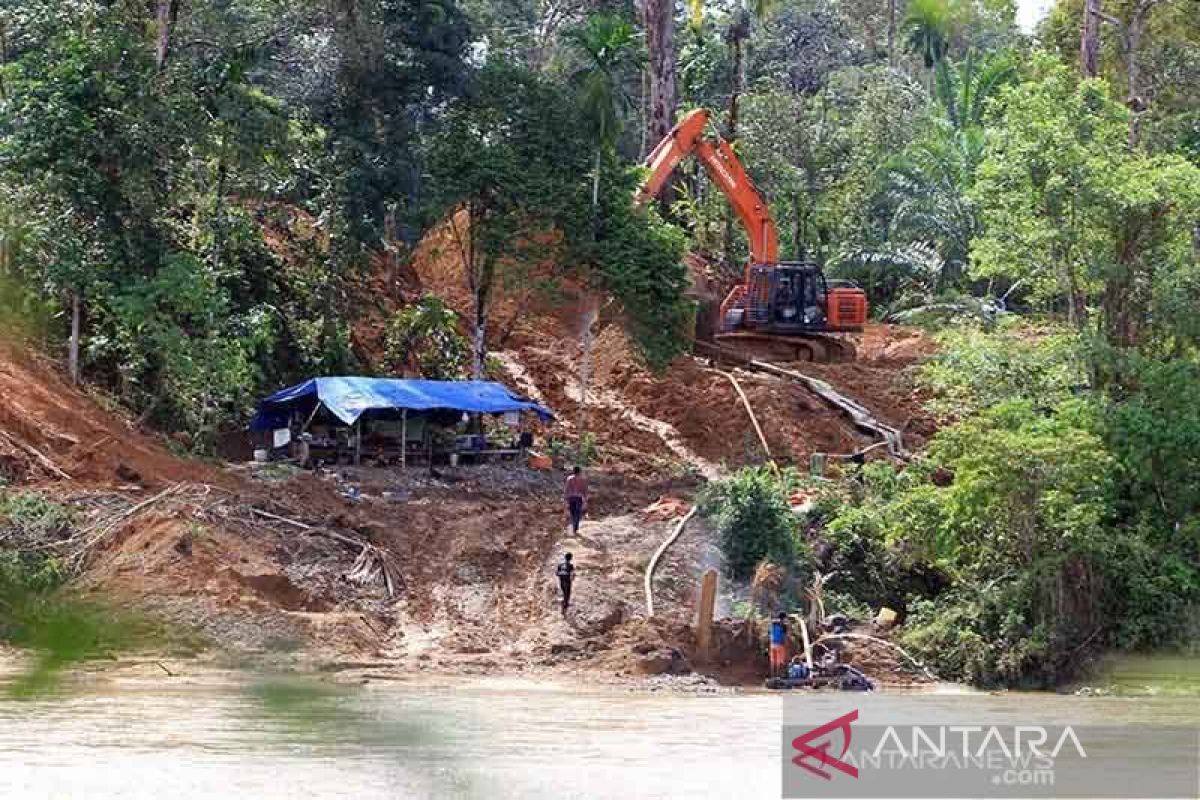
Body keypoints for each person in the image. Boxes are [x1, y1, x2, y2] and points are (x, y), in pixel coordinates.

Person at [564, 466, 588, 535]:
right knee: (577, 513)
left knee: (572, 513)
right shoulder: (583, 479)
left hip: (571, 498)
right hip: (579, 498)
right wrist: (585, 500)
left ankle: (573, 526)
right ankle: (575, 528)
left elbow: (567, 489)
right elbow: (585, 490)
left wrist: (565, 498)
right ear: (580, 471)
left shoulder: (569, 479)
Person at [769, 612, 789, 677]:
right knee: (779, 662)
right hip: (780, 645)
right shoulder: (784, 626)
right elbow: (785, 637)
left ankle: (772, 676)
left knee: (773, 661)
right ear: (784, 618)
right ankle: (778, 676)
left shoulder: (773, 624)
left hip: (772, 644)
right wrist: (786, 645)